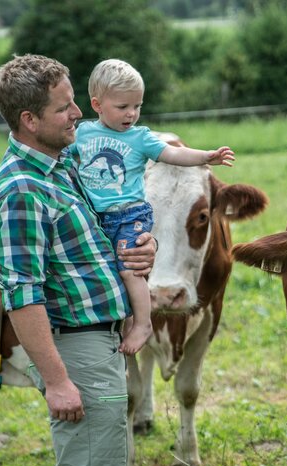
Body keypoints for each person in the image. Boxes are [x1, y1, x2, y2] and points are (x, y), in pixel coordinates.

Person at [0, 54, 155, 466]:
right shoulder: (22, 189)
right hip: (74, 345)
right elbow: (22, 293)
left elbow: (107, 227)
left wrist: (146, 246)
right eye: (64, 108)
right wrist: (58, 381)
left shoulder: (60, 164)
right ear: (29, 120)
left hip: (96, 339)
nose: (78, 113)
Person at [74, 58, 235, 355]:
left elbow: (173, 156)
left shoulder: (140, 137)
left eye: (137, 106)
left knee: (130, 269)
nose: (131, 114)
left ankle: (142, 322)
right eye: (123, 107)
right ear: (97, 105)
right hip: (94, 218)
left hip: (127, 217)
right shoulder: (83, 133)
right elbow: (64, 155)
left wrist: (206, 157)